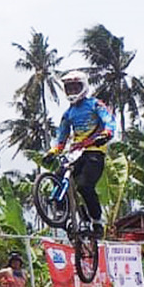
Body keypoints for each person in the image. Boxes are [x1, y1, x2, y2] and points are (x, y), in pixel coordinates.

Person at [44, 70, 116, 237]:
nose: (72, 92)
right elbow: (61, 139)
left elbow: (108, 121)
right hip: (76, 153)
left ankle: (97, 221)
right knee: (59, 176)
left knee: (84, 186)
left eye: (76, 87)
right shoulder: (68, 114)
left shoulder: (95, 105)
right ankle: (64, 215)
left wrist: (106, 134)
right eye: (69, 88)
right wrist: (53, 151)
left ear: (84, 87)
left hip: (94, 152)